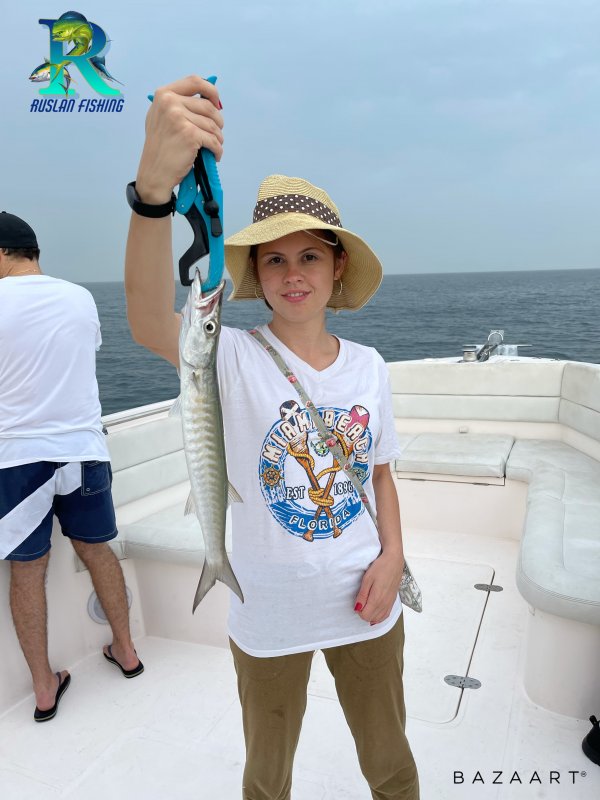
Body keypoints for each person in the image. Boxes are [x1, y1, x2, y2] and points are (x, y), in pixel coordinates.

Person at [125, 75, 419, 799]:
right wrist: (153, 196)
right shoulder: (226, 354)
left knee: (390, 765)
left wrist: (394, 558)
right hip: (266, 611)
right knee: (266, 777)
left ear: (338, 266)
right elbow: (148, 320)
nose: (293, 274)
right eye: (275, 259)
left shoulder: (369, 367)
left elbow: (380, 475)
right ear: (255, 271)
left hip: (366, 603)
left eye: (309, 256)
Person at [0, 212, 144, 724]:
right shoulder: (80, 297)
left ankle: (44, 688)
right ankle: (126, 650)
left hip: (17, 459)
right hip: (84, 450)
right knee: (97, 550)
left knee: (27, 570)